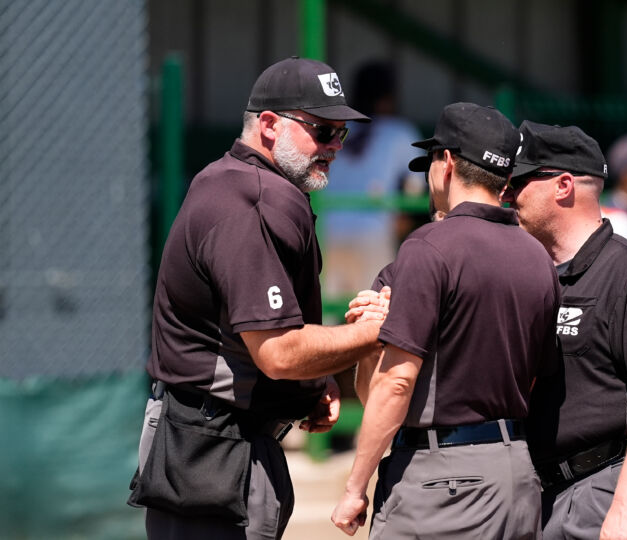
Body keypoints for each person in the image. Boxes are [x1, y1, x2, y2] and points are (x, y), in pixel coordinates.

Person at [127, 56, 386, 540]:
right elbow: (279, 352)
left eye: (342, 133)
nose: (334, 146)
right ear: (268, 124)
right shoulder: (249, 200)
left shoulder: (231, 180)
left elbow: (261, 341)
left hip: (210, 445)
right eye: (322, 130)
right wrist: (376, 333)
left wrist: (314, 382)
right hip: (210, 454)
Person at [331, 102, 561, 538]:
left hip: (442, 477)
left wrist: (355, 485)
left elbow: (395, 383)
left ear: (448, 163)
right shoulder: (538, 257)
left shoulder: (428, 248)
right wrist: (372, 340)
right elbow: (535, 376)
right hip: (514, 470)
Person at [501, 122, 627, 540]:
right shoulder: (535, 274)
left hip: (607, 487)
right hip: (542, 493)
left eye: (519, 182)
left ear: (563, 185)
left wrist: (625, 505)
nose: (507, 194)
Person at [322, 60, 425, 299]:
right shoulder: (400, 131)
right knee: (372, 314)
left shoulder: (337, 127)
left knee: (325, 315)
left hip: (327, 229)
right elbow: (414, 189)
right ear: (389, 96)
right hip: (374, 232)